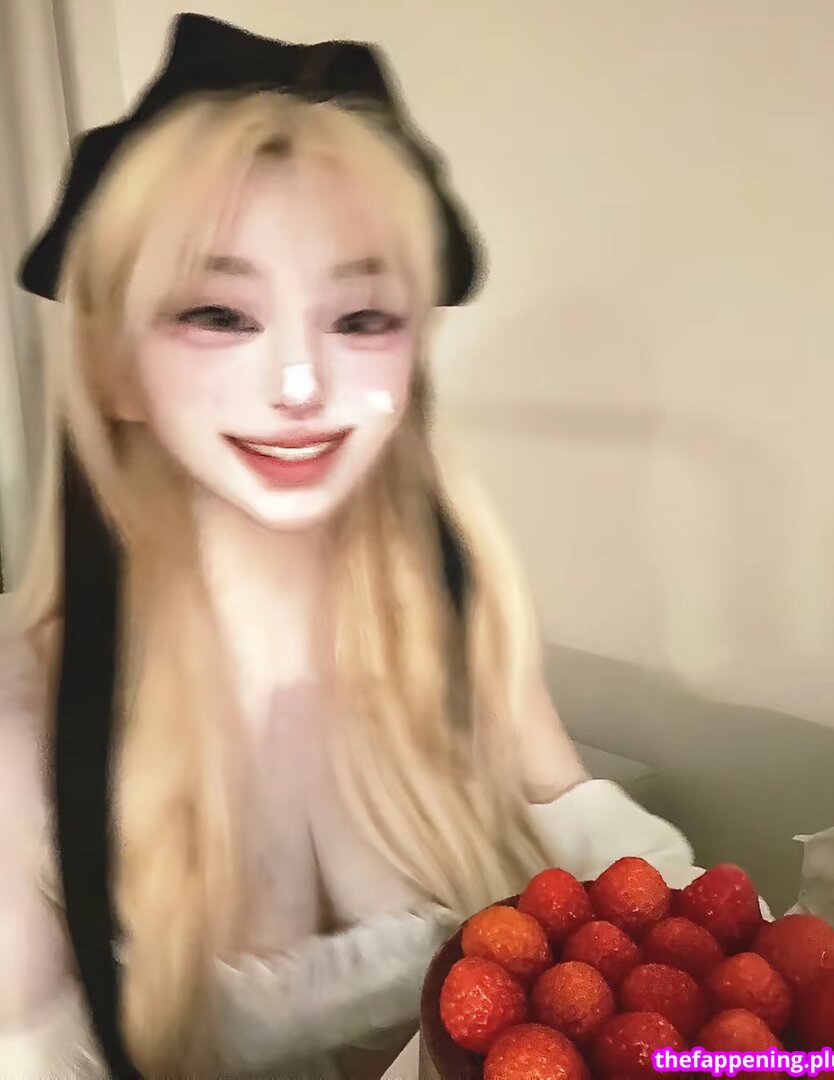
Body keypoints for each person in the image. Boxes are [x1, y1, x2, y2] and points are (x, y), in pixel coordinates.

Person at [0, 13, 697, 1079]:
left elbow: (632, 904)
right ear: (113, 368)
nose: (301, 385)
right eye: (219, 313)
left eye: (362, 317)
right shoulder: (29, 720)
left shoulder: (456, 615)